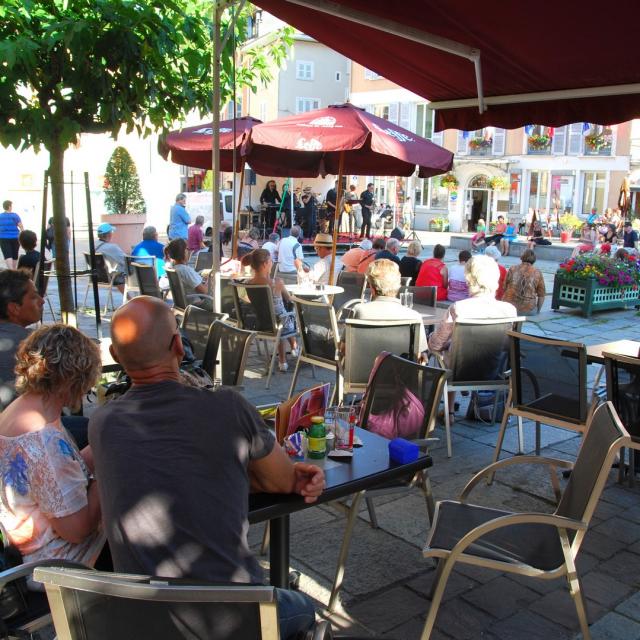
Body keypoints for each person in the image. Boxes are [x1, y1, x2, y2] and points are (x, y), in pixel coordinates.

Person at [89, 296, 323, 640]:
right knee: (305, 609)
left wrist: (236, 473)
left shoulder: (102, 424)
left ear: (115, 357)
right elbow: (283, 480)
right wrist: (279, 476)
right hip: (231, 619)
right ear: (178, 347)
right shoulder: (228, 407)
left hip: (141, 620)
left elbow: (173, 465)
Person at [0, 324, 104, 566]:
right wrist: (106, 473)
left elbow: (59, 477)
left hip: (24, 540)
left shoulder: (20, 409)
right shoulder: (43, 440)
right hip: (55, 564)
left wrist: (104, 444)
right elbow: (78, 531)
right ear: (72, 380)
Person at [428, 255, 517, 423]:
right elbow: (506, 345)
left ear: (469, 278)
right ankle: (455, 409)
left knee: (445, 353)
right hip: (494, 372)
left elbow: (436, 344)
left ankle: (447, 412)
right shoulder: (509, 310)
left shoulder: (459, 308)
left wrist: (432, 339)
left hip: (460, 371)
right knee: (455, 349)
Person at [351, 259, 427, 353]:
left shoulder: (359, 311)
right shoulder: (414, 316)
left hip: (364, 367)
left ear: (372, 287)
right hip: (400, 367)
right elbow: (419, 356)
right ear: (398, 285)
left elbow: (344, 349)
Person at [247, 249, 298, 372]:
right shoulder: (276, 282)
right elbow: (289, 299)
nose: (272, 263)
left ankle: (287, 355)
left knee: (279, 315)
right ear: (265, 263)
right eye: (271, 260)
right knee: (288, 312)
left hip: (260, 323)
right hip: (279, 324)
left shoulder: (249, 283)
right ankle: (292, 349)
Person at [0, 270, 44, 409]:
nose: (41, 301)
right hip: (18, 425)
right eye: (34, 297)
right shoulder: (29, 343)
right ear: (14, 308)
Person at [165, 238, 211, 310]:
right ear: (182, 252)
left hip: (185, 303)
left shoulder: (173, 267)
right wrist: (210, 281)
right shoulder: (185, 270)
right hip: (197, 305)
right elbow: (205, 291)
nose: (189, 251)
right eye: (187, 249)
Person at [501, 249, 546, 315]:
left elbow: (504, 287)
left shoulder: (512, 268)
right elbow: (541, 295)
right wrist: (538, 311)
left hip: (509, 308)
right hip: (528, 309)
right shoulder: (537, 272)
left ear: (522, 257)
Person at [95, 223, 126, 294]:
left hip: (95, 277)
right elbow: (125, 260)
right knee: (122, 273)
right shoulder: (112, 247)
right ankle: (131, 299)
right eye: (111, 232)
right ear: (109, 235)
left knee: (117, 272)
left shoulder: (93, 245)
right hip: (108, 278)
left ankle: (129, 299)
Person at [0, 200, 23, 270]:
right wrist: (22, 236)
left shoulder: (0, 216)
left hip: (3, 237)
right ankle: (14, 269)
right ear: (9, 206)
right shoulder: (15, 215)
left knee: (7, 254)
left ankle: (10, 270)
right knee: (15, 254)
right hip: (15, 237)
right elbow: (21, 226)